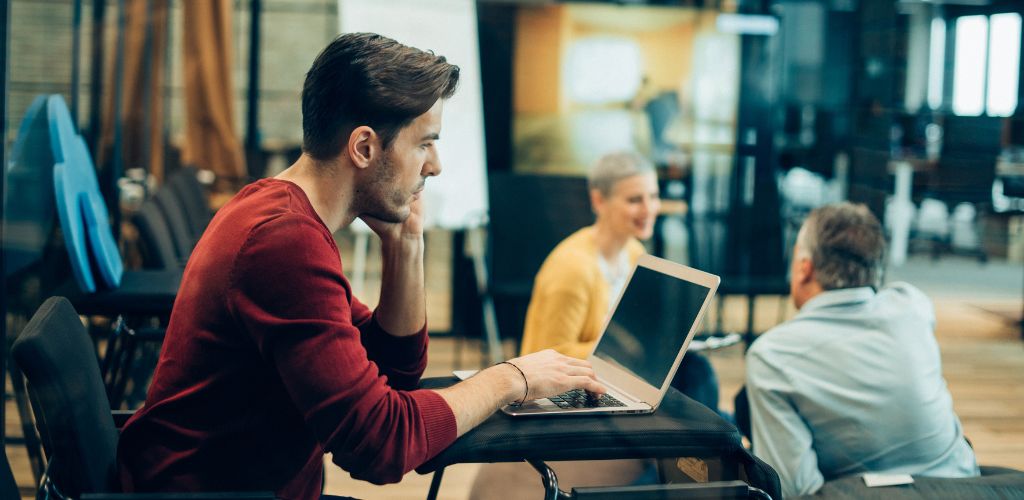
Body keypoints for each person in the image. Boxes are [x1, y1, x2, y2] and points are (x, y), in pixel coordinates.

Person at [117, 33, 604, 499]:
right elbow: (380, 445)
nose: (433, 166)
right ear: (365, 148)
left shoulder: (279, 211)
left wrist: (404, 244)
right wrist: (510, 379)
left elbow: (393, 371)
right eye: (424, 143)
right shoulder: (282, 243)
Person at [742, 202, 979, 498]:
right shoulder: (913, 305)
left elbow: (795, 490)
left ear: (804, 269)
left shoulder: (772, 355)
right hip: (966, 485)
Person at [518, 151, 720, 411]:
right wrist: (615, 354)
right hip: (571, 389)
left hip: (615, 374)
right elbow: (546, 356)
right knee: (700, 393)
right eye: (635, 200)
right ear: (599, 200)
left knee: (697, 371)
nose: (649, 209)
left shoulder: (634, 252)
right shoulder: (572, 269)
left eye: (654, 196)